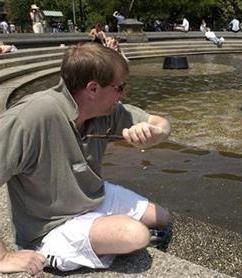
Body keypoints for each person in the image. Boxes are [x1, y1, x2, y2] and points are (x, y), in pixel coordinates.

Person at [0, 43, 171, 274]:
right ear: (92, 89)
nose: (124, 94)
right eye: (120, 87)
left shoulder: (104, 111)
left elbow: (160, 122)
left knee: (162, 217)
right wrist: (3, 257)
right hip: (50, 226)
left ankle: (100, 228)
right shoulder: (31, 117)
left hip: (89, 196)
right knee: (136, 235)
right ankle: (49, 252)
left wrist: (155, 134)